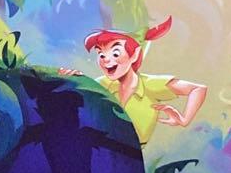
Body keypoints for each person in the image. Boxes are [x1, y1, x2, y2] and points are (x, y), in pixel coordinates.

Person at [59, 16, 206, 145]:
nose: (106, 60)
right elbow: (75, 99)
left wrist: (184, 120)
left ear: (134, 55)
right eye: (101, 54)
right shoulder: (102, 84)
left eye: (115, 53)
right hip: (100, 148)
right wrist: (70, 79)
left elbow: (198, 89)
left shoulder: (150, 85)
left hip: (131, 155)